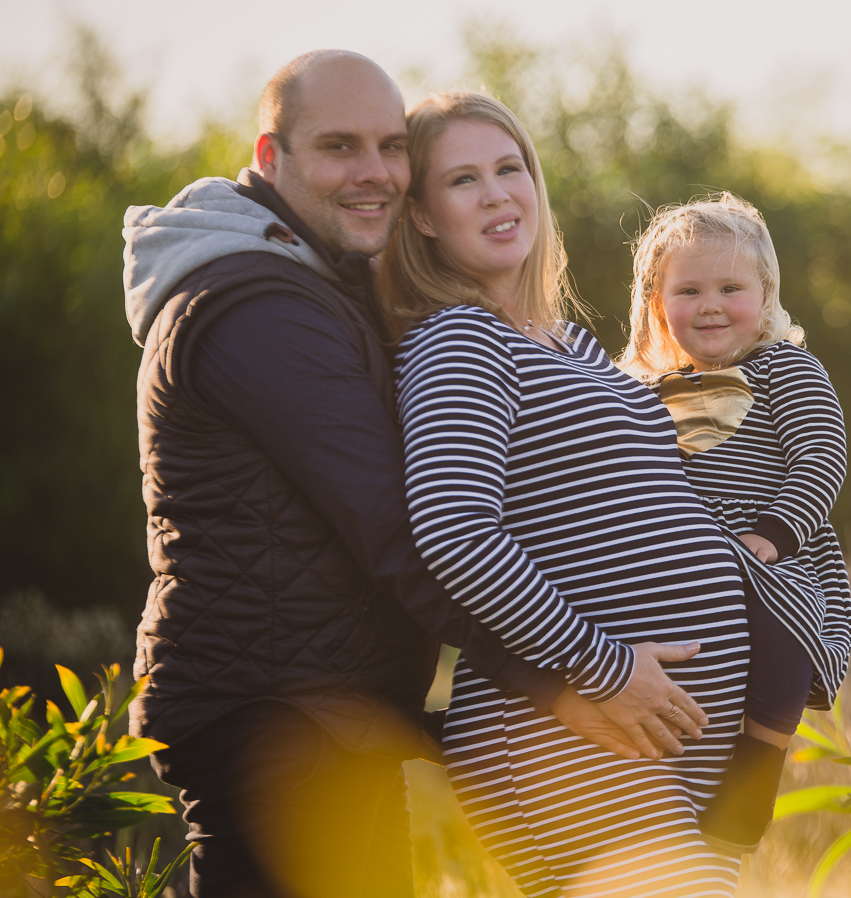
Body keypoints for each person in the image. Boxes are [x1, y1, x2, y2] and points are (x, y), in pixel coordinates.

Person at [120, 51, 701, 898]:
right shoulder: (257, 308)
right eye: (340, 147)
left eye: (391, 146)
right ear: (271, 156)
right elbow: (403, 529)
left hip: (332, 717)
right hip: (279, 719)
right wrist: (570, 679)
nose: (375, 172)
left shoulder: (319, 284)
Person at [376, 90, 752, 898]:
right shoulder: (459, 339)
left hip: (655, 740)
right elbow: (454, 529)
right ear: (424, 216)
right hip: (567, 735)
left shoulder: (570, 342)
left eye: (509, 168)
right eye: (464, 180)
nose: (497, 194)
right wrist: (604, 665)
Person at [617, 193, 851, 851]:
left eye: (730, 288)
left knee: (783, 635)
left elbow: (822, 456)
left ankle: (759, 764)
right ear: (657, 302)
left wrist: (772, 535)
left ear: (765, 294)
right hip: (685, 554)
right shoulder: (649, 392)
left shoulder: (785, 369)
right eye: (688, 290)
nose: (710, 305)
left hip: (774, 552)